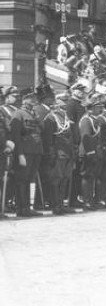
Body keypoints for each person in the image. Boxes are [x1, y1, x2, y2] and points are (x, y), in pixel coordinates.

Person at [8, 88, 44, 217]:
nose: (33, 100)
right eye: (30, 98)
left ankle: (27, 207)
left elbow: (40, 132)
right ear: (24, 100)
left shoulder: (34, 114)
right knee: (21, 179)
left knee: (30, 179)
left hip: (35, 151)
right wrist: (20, 154)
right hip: (25, 152)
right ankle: (21, 208)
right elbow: (16, 136)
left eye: (34, 98)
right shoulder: (19, 114)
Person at [41, 91, 74, 215]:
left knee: (64, 179)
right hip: (57, 153)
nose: (65, 105)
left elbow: (69, 137)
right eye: (63, 102)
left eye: (66, 102)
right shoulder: (50, 118)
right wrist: (51, 154)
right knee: (56, 180)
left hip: (67, 153)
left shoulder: (65, 117)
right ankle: (55, 205)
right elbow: (48, 139)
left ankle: (61, 204)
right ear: (57, 103)